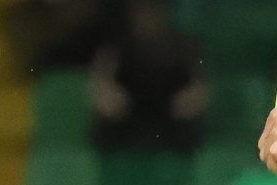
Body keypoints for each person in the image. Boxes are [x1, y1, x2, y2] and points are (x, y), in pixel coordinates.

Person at [88, 0, 209, 154]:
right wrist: (108, 96)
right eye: (144, 12)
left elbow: (198, 88)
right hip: (127, 120)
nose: (149, 18)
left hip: (171, 119)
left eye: (154, 12)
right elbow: (102, 86)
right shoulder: (115, 49)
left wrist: (192, 98)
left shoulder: (185, 48)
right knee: (106, 130)